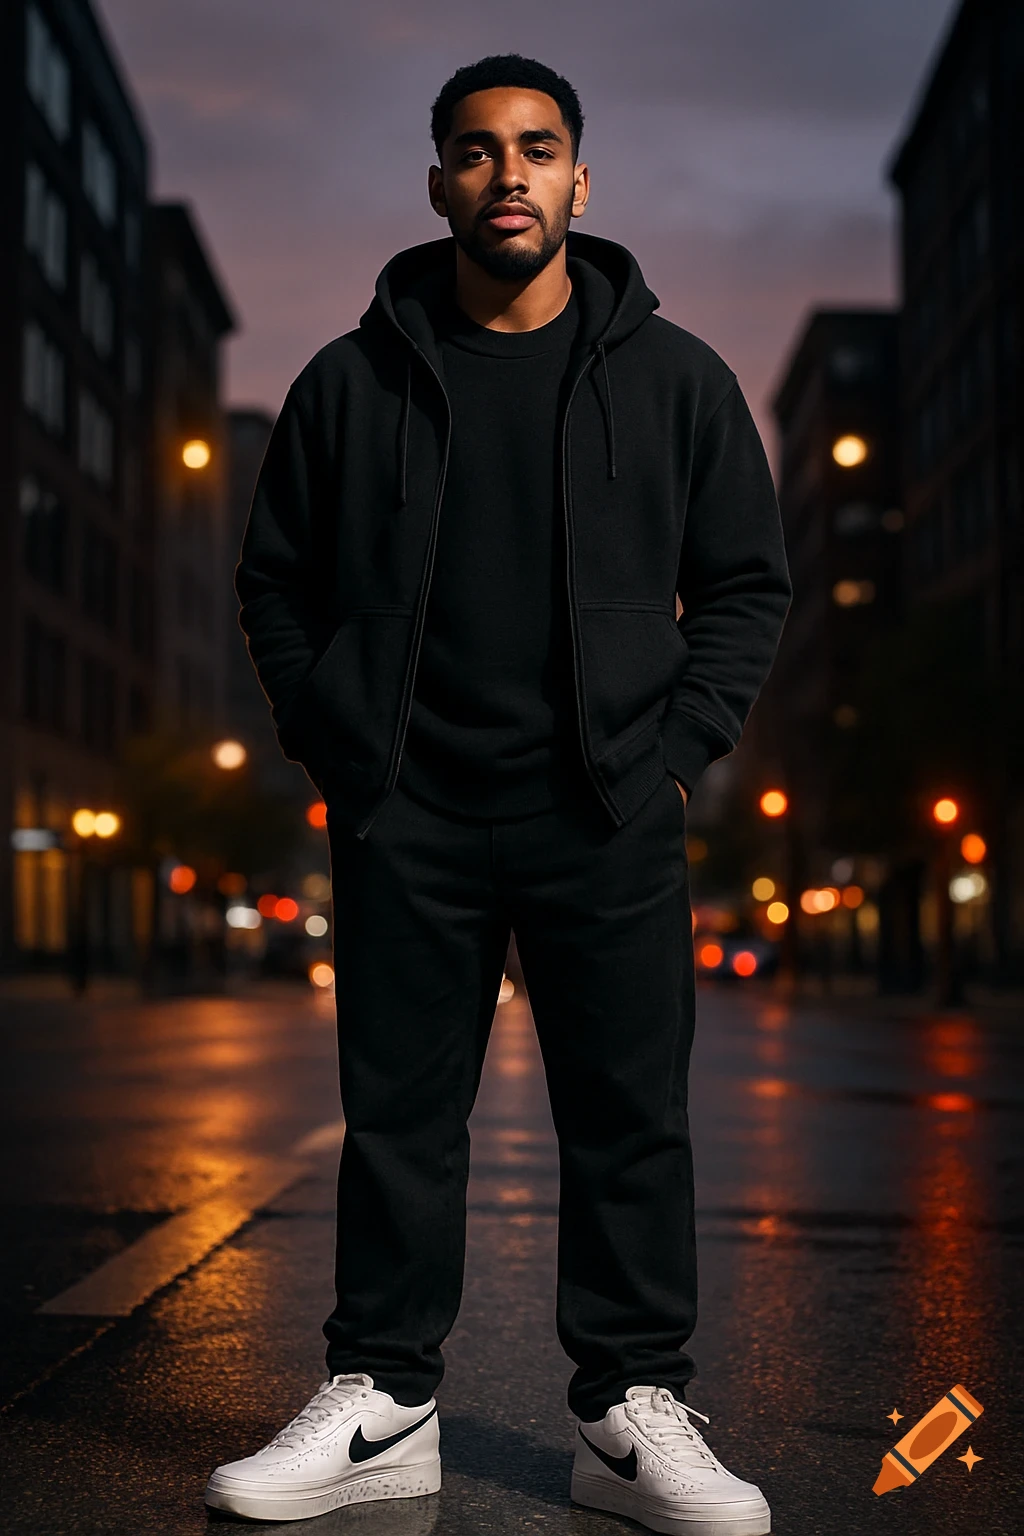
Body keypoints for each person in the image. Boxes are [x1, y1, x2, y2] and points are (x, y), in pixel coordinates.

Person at [206, 53, 791, 1532]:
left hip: (604, 807)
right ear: (438, 183)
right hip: (411, 812)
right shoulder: (350, 383)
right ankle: (385, 1401)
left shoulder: (679, 382)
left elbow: (744, 586)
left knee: (628, 1119)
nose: (507, 173)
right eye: (476, 151)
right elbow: (275, 583)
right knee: (398, 1117)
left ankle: (627, 1411)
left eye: (537, 149)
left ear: (581, 181)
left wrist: (672, 751)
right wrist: (347, 752)